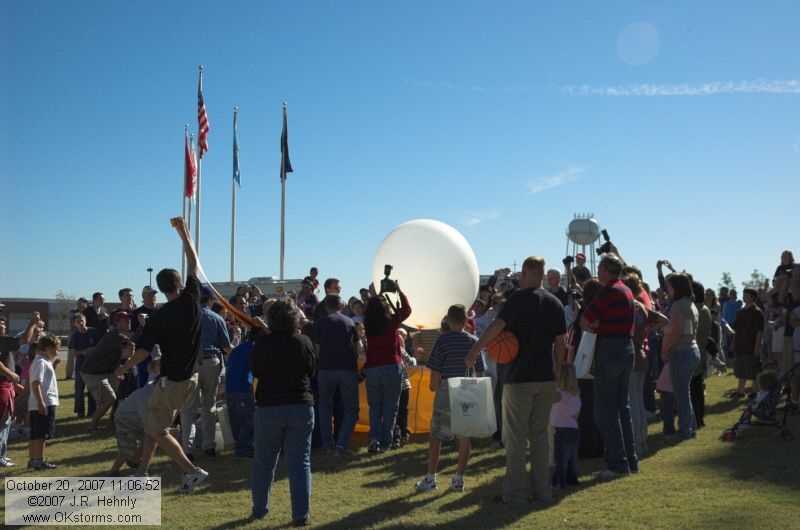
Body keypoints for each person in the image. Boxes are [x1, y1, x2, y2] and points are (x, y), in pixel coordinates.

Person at [115, 217, 209, 493]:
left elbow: (143, 351)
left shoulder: (160, 316)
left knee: (157, 428)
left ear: (161, 287)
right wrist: (184, 233)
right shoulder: (193, 298)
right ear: (180, 283)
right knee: (152, 423)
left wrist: (123, 368)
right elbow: (193, 260)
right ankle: (143, 473)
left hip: (174, 381)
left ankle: (192, 472)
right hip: (188, 377)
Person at [466, 256, 566, 504]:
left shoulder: (518, 300)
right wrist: (558, 376)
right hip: (545, 379)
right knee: (541, 436)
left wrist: (474, 351)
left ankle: (515, 493)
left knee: (516, 437)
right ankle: (542, 492)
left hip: (519, 378)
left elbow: (497, 326)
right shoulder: (555, 303)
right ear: (542, 274)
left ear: (526, 273)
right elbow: (560, 344)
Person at [249, 300, 316, 526]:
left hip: (269, 407)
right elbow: (311, 370)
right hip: (300, 405)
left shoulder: (262, 344)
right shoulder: (304, 342)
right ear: (294, 319)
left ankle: (259, 509)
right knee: (300, 462)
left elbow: (255, 370)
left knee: (264, 462)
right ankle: (301, 514)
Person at [580, 253, 637, 478]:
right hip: (627, 348)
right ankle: (630, 460)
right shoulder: (626, 289)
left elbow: (586, 319)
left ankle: (617, 464)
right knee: (623, 407)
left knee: (606, 411)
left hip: (610, 350)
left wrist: (596, 325)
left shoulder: (608, 291)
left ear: (604, 269)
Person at [415, 305, 482, 493]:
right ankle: (459, 479)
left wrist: (433, 385)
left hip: (446, 387)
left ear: (449, 320)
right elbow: (480, 369)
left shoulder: (442, 341)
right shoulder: (473, 341)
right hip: (466, 389)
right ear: (464, 322)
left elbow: (435, 368)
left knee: (437, 435)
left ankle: (431, 478)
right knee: (464, 435)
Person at [179, 286, 232, 460]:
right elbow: (225, 347)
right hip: (211, 362)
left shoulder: (185, 317)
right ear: (209, 300)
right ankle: (209, 446)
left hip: (190, 364)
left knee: (188, 409)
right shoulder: (216, 318)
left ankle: (188, 449)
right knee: (209, 406)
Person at [363, 283, 411, 453]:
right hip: (392, 367)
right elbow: (406, 310)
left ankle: (374, 439)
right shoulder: (391, 323)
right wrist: (399, 291)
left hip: (373, 369)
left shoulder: (368, 326)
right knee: (391, 407)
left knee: (375, 407)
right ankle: (386, 443)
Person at [312, 294, 359, 456]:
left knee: (324, 407)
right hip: (347, 369)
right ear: (341, 306)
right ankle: (341, 444)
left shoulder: (319, 323)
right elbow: (356, 348)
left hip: (325, 369)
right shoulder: (349, 322)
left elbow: (317, 349)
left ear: (325, 307)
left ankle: (328, 444)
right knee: (351, 409)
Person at [661, 273, 700, 440]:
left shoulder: (677, 306)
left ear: (676, 287)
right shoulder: (691, 304)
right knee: (685, 393)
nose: (667, 290)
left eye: (669, 286)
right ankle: (691, 427)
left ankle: (684, 432)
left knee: (681, 395)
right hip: (692, 350)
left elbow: (676, 332)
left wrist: (664, 348)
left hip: (682, 352)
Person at [0, 312, 41, 468]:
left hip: (6, 385)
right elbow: (25, 339)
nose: (4, 325)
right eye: (1, 323)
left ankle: (2, 454)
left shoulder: (4, 341)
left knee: (5, 422)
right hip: (2, 386)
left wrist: (11, 381)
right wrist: (32, 323)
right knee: (2, 423)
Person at [82, 312, 135, 431]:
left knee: (120, 391)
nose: (129, 321)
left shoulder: (118, 335)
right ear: (117, 323)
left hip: (105, 371)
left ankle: (112, 422)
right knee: (110, 398)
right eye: (125, 320)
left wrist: (118, 369)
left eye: (129, 319)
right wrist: (143, 327)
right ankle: (92, 425)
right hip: (93, 372)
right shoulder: (118, 336)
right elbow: (131, 346)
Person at [108, 359, 160, 476]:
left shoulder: (155, 384)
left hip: (138, 417)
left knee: (152, 439)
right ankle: (113, 472)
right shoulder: (146, 395)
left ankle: (136, 462)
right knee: (127, 449)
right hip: (124, 419)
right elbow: (147, 420)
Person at [27, 334, 60, 470]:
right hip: (44, 403)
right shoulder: (40, 361)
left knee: (35, 434)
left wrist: (54, 365)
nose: (56, 352)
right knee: (42, 434)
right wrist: (41, 402)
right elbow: (36, 383)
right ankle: (39, 461)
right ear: (48, 348)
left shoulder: (42, 361)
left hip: (40, 403)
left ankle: (33, 459)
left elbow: (44, 378)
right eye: (55, 349)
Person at [226, 328, 260, 459]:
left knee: (236, 421)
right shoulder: (254, 349)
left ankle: (240, 446)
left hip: (231, 387)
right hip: (243, 387)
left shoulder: (239, 348)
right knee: (248, 420)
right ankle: (243, 449)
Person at [550, 363, 580, 489]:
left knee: (560, 459)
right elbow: (576, 416)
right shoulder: (576, 396)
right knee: (571, 458)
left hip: (561, 431)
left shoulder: (560, 395)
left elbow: (548, 399)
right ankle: (572, 480)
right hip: (573, 429)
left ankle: (559, 483)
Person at [731, 288, 764, 398]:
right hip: (739, 345)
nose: (744, 297)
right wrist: (733, 343)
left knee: (753, 370)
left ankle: (756, 391)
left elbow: (759, 331)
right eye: (743, 294)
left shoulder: (757, 312)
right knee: (741, 370)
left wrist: (757, 346)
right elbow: (736, 329)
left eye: (746, 295)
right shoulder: (740, 311)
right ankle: (740, 391)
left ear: (753, 297)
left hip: (750, 346)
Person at [67, 313, 99, 418]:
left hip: (93, 366)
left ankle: (92, 411)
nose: (81, 323)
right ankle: (80, 412)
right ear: (74, 324)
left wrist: (93, 350)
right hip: (80, 367)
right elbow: (74, 353)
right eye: (78, 321)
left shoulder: (93, 332)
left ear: (85, 320)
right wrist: (84, 352)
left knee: (92, 389)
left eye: (82, 320)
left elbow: (100, 347)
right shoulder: (75, 336)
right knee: (79, 390)